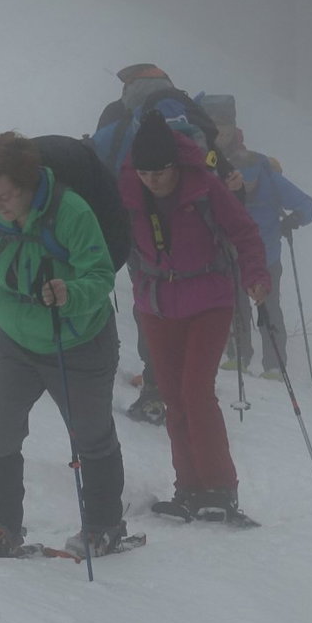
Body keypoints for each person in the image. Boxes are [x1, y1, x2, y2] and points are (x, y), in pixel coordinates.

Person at [0, 133, 128, 558]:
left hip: (77, 338)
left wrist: (69, 293)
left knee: (90, 435)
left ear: (28, 184)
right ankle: (0, 525)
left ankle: (104, 525)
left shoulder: (71, 211)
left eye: (4, 196)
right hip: (14, 335)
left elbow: (100, 274)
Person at [120, 111, 269, 523]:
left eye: (160, 172)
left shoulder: (205, 187)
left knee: (196, 391)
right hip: (156, 302)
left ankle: (220, 488)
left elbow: (244, 231)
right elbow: (112, 239)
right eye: (145, 171)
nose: (152, 179)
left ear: (175, 163)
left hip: (209, 298)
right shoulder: (128, 188)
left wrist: (256, 276)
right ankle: (188, 487)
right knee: (172, 395)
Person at [90, 64, 224, 427]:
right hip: (195, 233)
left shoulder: (128, 122)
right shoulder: (189, 116)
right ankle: (185, 388)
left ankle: (156, 390)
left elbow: (94, 158)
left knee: (152, 304)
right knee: (186, 306)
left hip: (141, 231)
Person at [218, 126, 312, 379]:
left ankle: (271, 364)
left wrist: (294, 219)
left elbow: (308, 205)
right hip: (235, 254)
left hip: (266, 258)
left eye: (250, 183)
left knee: (267, 307)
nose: (246, 188)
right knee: (238, 306)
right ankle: (241, 356)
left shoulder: (271, 179)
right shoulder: (226, 178)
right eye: (243, 183)